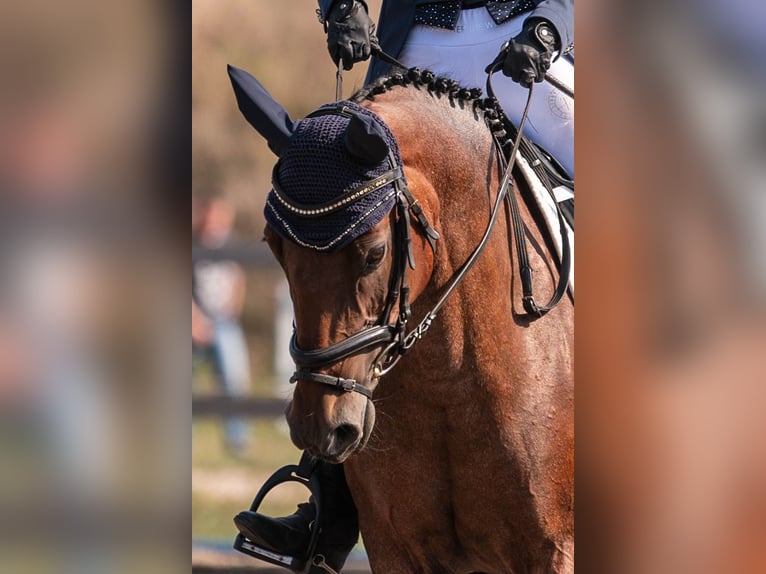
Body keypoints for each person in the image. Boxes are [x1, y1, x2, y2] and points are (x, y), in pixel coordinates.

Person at [234, 1, 573, 571]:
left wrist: (549, 28)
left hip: (524, 39)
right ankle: (328, 496)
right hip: (414, 43)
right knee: (341, 205)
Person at [192, 196, 252, 455]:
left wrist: (232, 312)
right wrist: (194, 322)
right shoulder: (192, 244)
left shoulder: (232, 245)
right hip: (193, 321)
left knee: (234, 377)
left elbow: (239, 279)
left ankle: (237, 440)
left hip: (224, 321)